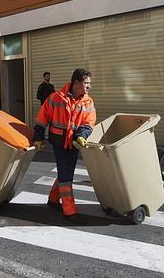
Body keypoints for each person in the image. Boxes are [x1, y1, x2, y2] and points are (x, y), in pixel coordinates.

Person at [33, 69, 96, 217]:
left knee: (65, 171)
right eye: (86, 83)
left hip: (74, 143)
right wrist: (38, 137)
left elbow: (89, 122)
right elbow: (42, 119)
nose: (89, 86)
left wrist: (82, 135)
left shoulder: (88, 101)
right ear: (76, 83)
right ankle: (70, 211)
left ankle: (53, 199)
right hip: (58, 142)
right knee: (66, 174)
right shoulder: (55, 98)